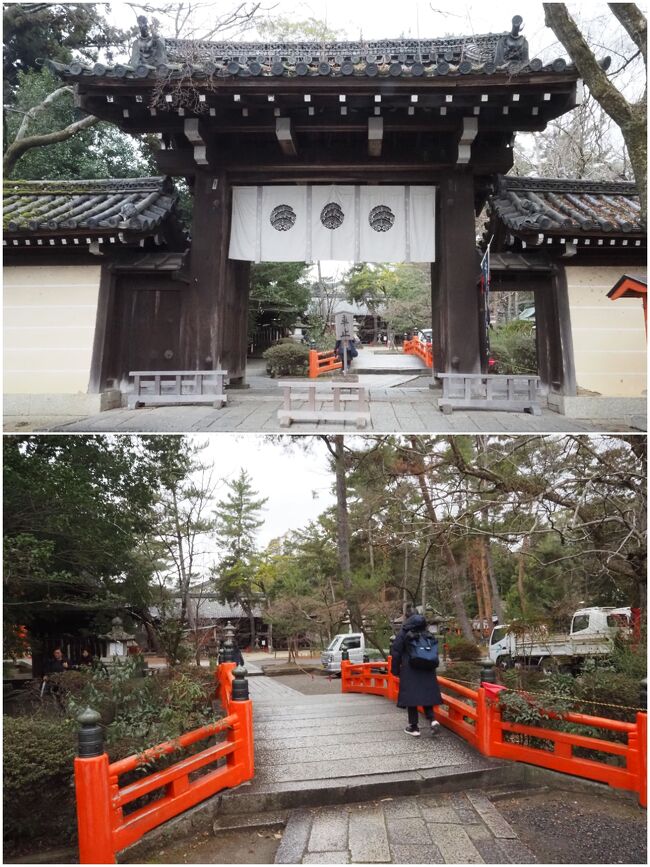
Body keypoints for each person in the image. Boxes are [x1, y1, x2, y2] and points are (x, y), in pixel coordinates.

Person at [390, 613, 443, 737]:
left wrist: (395, 670)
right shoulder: (427, 633)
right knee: (426, 695)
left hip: (410, 669)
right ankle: (433, 720)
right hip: (427, 669)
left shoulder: (404, 633)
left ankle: (414, 727)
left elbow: (396, 652)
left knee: (412, 698)